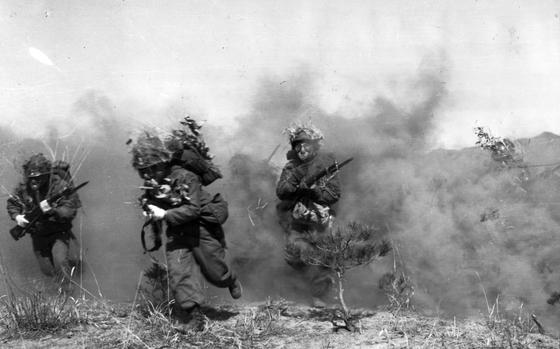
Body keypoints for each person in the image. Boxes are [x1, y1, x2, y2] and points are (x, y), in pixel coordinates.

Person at [131, 130, 242, 331]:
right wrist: (156, 235)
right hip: (177, 232)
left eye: (150, 169)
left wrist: (164, 215)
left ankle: (230, 279)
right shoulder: (152, 185)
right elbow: (154, 211)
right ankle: (194, 317)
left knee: (216, 274)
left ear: (161, 163)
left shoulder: (185, 176)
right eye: (142, 171)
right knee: (179, 273)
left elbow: (193, 210)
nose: (146, 175)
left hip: (201, 228)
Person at [276, 123, 341, 308]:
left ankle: (322, 296)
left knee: (324, 259)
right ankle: (303, 289)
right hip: (298, 222)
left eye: (306, 144)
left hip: (321, 221)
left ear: (315, 145)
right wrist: (299, 178)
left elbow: (334, 195)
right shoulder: (291, 167)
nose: (301, 148)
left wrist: (314, 191)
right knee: (294, 256)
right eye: (297, 145)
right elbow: (281, 191)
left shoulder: (326, 166)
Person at [6, 153, 81, 289]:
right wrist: (18, 217)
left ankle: (68, 296)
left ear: (47, 175)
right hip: (38, 235)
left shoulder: (60, 187)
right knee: (47, 270)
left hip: (58, 233)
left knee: (60, 264)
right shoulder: (23, 188)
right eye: (31, 178)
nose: (34, 181)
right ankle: (65, 282)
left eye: (38, 178)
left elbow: (69, 210)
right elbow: (13, 203)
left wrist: (52, 211)